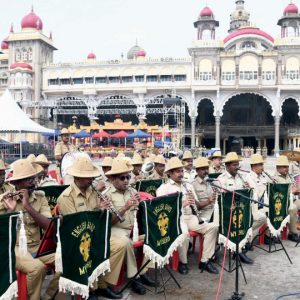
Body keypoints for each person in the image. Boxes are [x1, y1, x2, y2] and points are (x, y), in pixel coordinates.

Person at [57, 156, 126, 299]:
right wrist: (97, 211)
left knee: (121, 245)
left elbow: (99, 220)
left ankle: (102, 284)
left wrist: (104, 210)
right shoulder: (65, 197)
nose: (91, 180)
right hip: (77, 240)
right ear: (77, 177)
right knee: (90, 250)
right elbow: (76, 225)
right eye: (87, 177)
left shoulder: (93, 191)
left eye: (92, 177)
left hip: (94, 235)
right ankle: (89, 289)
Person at [0, 159, 59, 300]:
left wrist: (28, 207)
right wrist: (10, 210)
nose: (33, 182)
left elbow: (48, 226)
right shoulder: (5, 200)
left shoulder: (40, 197)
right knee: (37, 268)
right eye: (27, 180)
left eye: (34, 178)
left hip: (38, 246)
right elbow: (2, 233)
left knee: (66, 260)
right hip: (16, 248)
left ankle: (49, 296)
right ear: (16, 183)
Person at [156, 157, 219, 275]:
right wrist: (182, 204)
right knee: (184, 234)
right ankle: (182, 262)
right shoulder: (163, 189)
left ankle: (205, 260)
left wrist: (201, 202)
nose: (181, 174)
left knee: (213, 227)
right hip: (175, 219)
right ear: (169, 173)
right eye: (177, 171)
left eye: (181, 171)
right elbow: (161, 211)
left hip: (191, 217)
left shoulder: (188, 186)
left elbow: (197, 204)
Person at [105, 159, 158, 295]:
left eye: (128, 177)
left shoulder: (132, 190)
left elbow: (139, 213)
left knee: (153, 235)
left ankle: (144, 270)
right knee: (126, 242)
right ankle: (136, 278)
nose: (126, 181)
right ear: (112, 179)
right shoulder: (107, 195)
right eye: (122, 178)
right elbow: (108, 222)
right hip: (116, 230)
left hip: (133, 229)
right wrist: (125, 207)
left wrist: (142, 205)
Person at [217, 152, 253, 264]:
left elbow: (250, 195)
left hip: (239, 210)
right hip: (227, 212)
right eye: (234, 165)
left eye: (238, 164)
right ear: (227, 166)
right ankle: (238, 251)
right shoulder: (220, 179)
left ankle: (240, 247)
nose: (237, 167)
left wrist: (248, 189)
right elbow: (220, 199)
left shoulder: (242, 178)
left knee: (250, 219)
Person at [273, 155, 300, 242]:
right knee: (293, 208)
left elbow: (293, 188)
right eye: (284, 167)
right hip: (281, 203)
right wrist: (292, 192)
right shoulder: (274, 179)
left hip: (292, 199)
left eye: (287, 167)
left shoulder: (288, 176)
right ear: (278, 168)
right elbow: (278, 196)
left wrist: (297, 189)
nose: (287, 169)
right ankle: (293, 233)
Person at [244, 154, 269, 245]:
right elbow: (256, 195)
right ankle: (248, 240)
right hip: (254, 205)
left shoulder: (263, 176)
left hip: (263, 203)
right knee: (263, 215)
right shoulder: (249, 177)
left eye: (262, 164)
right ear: (254, 166)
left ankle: (268, 236)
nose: (262, 167)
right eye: (260, 165)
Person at [192, 157, 216, 223]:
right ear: (197, 171)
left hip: (215, 211)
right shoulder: (193, 185)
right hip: (203, 214)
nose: (206, 171)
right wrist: (208, 202)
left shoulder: (211, 182)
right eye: (203, 169)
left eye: (207, 168)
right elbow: (195, 207)